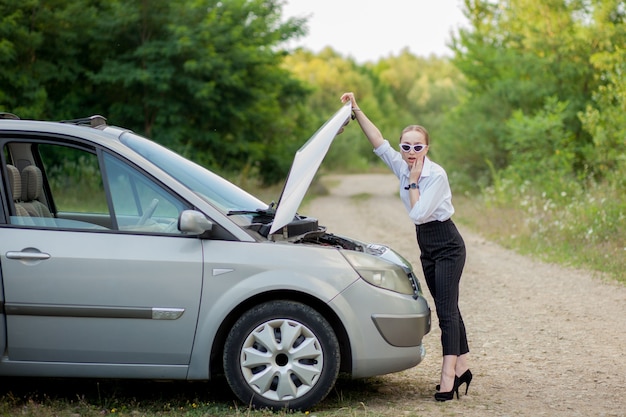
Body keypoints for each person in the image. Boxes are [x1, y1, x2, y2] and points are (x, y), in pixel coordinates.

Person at [340, 92, 472, 402]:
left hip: (448, 245)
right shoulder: (401, 163)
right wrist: (356, 109)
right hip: (427, 246)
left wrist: (413, 180)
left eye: (417, 147)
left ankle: (448, 375)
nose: (410, 152)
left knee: (446, 311)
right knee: (447, 306)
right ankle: (464, 366)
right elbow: (377, 142)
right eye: (406, 146)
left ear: (427, 148)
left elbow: (417, 214)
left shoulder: (435, 175)